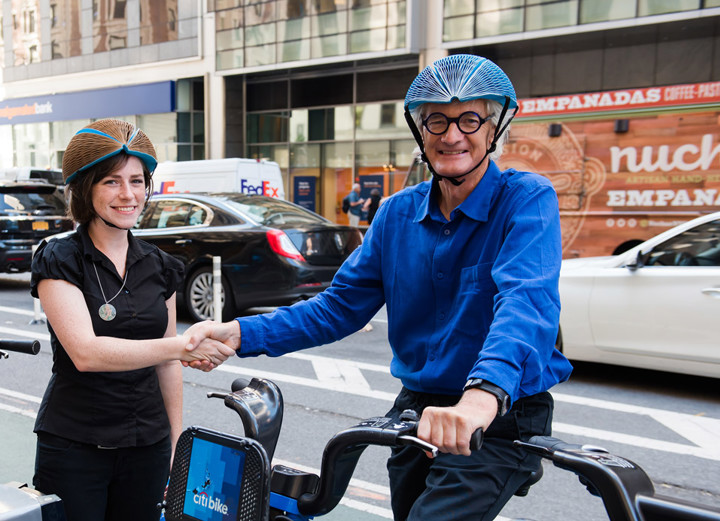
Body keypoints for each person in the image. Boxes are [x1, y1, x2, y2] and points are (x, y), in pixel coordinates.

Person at [186, 54, 573, 521]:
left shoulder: (526, 198)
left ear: (494, 128)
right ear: (421, 131)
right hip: (418, 407)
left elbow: (525, 302)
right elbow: (338, 308)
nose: (452, 135)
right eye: (437, 121)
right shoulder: (395, 214)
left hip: (500, 407)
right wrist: (241, 334)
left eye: (470, 119)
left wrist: (479, 399)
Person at [30, 119, 235, 521]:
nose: (128, 195)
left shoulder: (161, 267)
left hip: (148, 445)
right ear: (86, 189)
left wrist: (177, 442)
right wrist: (183, 346)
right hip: (75, 445)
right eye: (112, 181)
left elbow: (167, 366)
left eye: (137, 181)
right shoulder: (60, 259)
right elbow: (86, 352)